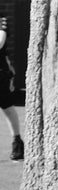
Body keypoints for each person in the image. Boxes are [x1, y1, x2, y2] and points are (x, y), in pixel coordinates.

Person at [0, 15, 21, 161]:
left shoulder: (2, 20)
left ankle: (17, 142)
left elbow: (0, 42)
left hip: (1, 73)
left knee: (7, 107)